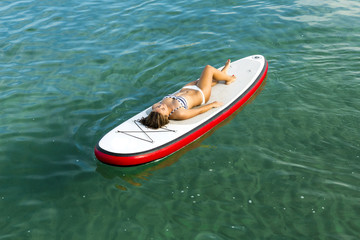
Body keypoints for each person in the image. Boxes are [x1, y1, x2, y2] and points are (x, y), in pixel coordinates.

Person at [140, 59, 236, 129]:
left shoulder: (155, 108)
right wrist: (213, 105)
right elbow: (198, 111)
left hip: (188, 88)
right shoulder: (179, 113)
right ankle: (229, 79)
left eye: (158, 107)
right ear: (165, 117)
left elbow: (155, 113)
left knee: (210, 80)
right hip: (202, 93)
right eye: (162, 109)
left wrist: (152, 118)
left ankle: (223, 72)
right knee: (208, 69)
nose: (161, 106)